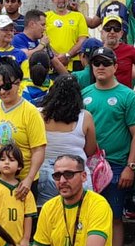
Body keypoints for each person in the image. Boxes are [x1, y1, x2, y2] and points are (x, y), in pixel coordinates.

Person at [82, 47, 135, 246]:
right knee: (89, 219)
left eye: (105, 63)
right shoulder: (85, 93)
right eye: (96, 62)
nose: (100, 67)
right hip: (88, 167)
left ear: (115, 66)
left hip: (117, 165)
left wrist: (131, 166)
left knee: (115, 218)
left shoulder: (127, 96)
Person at [0, 59, 47, 190]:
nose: (2, 91)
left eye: (7, 86)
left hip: (21, 183)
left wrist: (29, 180)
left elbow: (38, 150)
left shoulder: (31, 112)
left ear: (18, 83)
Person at [37, 75, 96, 206]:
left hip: (45, 173)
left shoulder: (38, 114)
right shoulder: (85, 117)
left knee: (47, 215)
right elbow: (91, 150)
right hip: (75, 175)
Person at [0, 143, 37, 246]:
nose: (6, 162)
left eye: (12, 160)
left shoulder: (24, 189)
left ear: (19, 166)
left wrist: (26, 239)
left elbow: (28, 216)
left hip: (19, 245)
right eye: (2, 159)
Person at [99, 15, 135, 91]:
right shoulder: (97, 52)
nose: (112, 32)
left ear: (121, 33)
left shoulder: (129, 50)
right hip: (103, 96)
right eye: (108, 28)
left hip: (124, 98)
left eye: (116, 29)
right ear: (102, 32)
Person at [45, 0, 89, 71]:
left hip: (74, 64)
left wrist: (68, 55)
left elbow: (83, 39)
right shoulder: (46, 16)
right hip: (51, 64)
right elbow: (43, 40)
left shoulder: (78, 16)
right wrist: (55, 57)